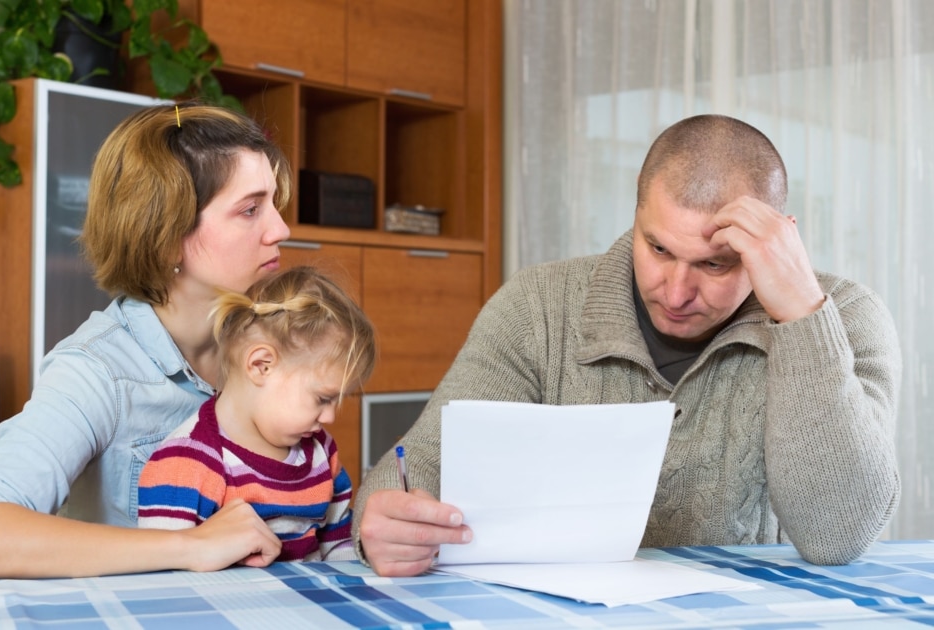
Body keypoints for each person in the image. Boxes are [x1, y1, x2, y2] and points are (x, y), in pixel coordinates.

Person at [352, 114, 902, 577]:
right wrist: (384, 522)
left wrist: (804, 316)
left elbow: (839, 536)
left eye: (715, 263)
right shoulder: (537, 305)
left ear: (778, 238)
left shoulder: (847, 318)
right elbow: (414, 469)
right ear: (636, 216)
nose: (679, 291)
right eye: (659, 248)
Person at [0, 102, 295, 579]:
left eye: (273, 203)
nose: (281, 229)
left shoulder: (277, 342)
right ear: (166, 237)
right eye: (250, 209)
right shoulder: (97, 370)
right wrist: (186, 547)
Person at [137, 266, 376, 563]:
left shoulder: (321, 453)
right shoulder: (186, 463)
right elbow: (165, 566)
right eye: (322, 398)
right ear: (261, 365)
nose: (329, 417)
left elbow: (339, 547)